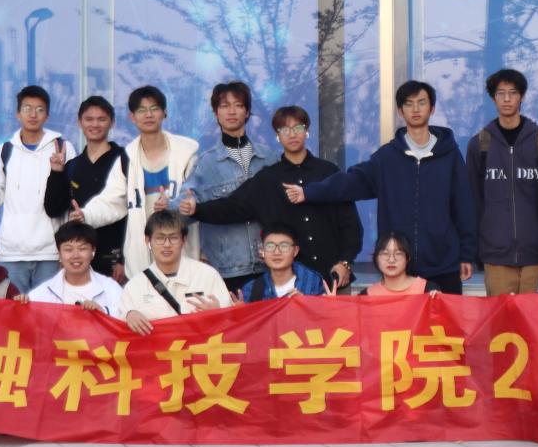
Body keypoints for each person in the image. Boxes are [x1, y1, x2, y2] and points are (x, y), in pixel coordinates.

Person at [291, 80, 476, 293]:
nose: (415, 109)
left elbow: (464, 206)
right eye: (408, 104)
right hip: (398, 268)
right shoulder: (387, 157)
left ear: (432, 108)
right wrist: (309, 192)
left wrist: (467, 254)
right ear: (400, 111)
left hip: (444, 264)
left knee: (444, 316)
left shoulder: (449, 155)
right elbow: (351, 181)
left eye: (421, 102)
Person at [182, 105, 357, 288]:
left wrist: (346, 262)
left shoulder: (329, 173)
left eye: (298, 128)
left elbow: (350, 223)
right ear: (277, 135)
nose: (292, 134)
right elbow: (232, 207)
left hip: (334, 277)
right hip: (289, 283)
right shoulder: (267, 179)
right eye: (284, 129)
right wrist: (197, 210)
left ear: (307, 131)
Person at [83, 85, 201, 282]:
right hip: (142, 257)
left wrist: (174, 205)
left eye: (154, 108)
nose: (148, 115)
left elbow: (198, 197)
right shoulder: (127, 159)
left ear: (164, 113)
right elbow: (111, 201)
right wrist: (85, 215)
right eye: (141, 110)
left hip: (182, 251)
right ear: (132, 117)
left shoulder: (187, 154)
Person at [0, 85, 76, 294]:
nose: (33, 115)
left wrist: (66, 247)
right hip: (13, 253)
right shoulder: (5, 151)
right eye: (27, 108)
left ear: (47, 115)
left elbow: (69, 201)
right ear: (17, 114)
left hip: (50, 252)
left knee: (47, 311)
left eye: (39, 109)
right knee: (13, 311)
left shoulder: (62, 148)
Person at [183, 81, 276, 300]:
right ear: (216, 113)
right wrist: (174, 205)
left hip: (270, 266)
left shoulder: (269, 158)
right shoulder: (205, 163)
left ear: (247, 112)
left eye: (238, 105)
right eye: (224, 106)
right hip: (226, 271)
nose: (231, 111)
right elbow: (184, 207)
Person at [468, 68, 538, 296]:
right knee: (501, 317)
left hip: (536, 254)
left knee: (533, 316)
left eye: (513, 93)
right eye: (501, 93)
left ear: (522, 96)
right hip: (496, 254)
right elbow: (474, 201)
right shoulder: (480, 144)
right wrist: (474, 249)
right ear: (493, 98)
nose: (507, 99)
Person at [47, 96, 128, 279]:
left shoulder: (125, 160)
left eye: (102, 119)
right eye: (89, 119)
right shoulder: (73, 165)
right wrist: (57, 173)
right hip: (80, 257)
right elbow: (53, 209)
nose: (95, 124)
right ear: (79, 122)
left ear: (112, 123)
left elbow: (132, 212)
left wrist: (124, 259)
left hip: (114, 256)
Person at [121, 211, 233, 331]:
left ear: (183, 240)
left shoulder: (208, 275)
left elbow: (233, 325)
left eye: (173, 238)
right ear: (148, 241)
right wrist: (128, 315)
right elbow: (118, 329)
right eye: (160, 238)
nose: (167, 244)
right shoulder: (135, 286)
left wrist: (219, 314)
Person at [26, 222, 126, 317]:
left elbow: (127, 315)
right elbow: (28, 319)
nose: (75, 255)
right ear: (59, 253)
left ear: (93, 252)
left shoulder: (110, 288)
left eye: (82, 249)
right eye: (68, 249)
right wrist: (22, 304)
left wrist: (104, 311)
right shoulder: (43, 292)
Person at [244, 224, 329, 302]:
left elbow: (321, 312)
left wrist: (305, 304)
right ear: (262, 251)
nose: (276, 252)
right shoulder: (252, 289)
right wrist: (241, 311)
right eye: (270, 246)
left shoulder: (313, 282)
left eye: (284, 246)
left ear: (295, 251)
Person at [360, 231, 431, 298]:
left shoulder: (427, 290)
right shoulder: (367, 295)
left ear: (407, 258)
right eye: (385, 254)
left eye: (398, 254)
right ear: (376, 258)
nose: (391, 260)